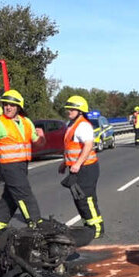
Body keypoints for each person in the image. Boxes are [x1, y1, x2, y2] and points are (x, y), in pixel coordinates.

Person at [0, 90, 46, 246]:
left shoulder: (27, 122)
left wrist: (42, 136)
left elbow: (38, 143)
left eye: (11, 105)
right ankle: (36, 224)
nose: (8, 107)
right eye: (5, 104)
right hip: (8, 167)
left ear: (19, 107)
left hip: (22, 165)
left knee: (9, 198)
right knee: (24, 195)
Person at [59, 95, 104, 239]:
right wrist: (64, 163)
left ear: (80, 110)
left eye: (72, 109)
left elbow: (88, 146)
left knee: (87, 199)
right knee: (79, 199)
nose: (69, 111)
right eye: (68, 109)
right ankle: (88, 225)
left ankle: (96, 228)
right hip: (76, 168)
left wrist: (78, 164)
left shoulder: (83, 125)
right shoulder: (71, 124)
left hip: (86, 168)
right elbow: (70, 147)